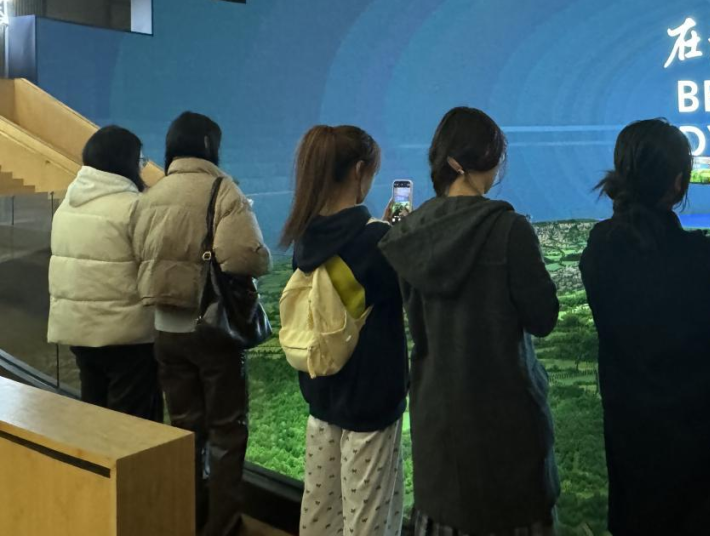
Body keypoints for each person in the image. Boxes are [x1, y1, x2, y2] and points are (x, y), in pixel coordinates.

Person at [378, 107, 560, 536]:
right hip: (508, 423)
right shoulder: (509, 229)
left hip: (438, 424)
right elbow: (544, 317)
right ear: (467, 163)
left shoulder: (407, 233)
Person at [579, 118, 710, 536]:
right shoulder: (699, 259)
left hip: (633, 449)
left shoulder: (600, 251)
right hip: (701, 454)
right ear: (679, 183)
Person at [132, 112, 270, 536]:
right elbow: (246, 256)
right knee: (226, 431)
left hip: (165, 331)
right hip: (210, 330)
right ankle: (223, 526)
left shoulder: (150, 195)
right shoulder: (222, 190)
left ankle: (187, 519)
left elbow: (137, 252)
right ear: (210, 145)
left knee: (185, 429)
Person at [279, 125, 408, 536]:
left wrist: (380, 230)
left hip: (321, 398)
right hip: (369, 405)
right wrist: (393, 232)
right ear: (358, 171)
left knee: (322, 515)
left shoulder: (305, 239)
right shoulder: (378, 242)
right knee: (370, 522)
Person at [47, 125, 162, 421]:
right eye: (141, 159)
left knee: (95, 416)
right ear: (125, 161)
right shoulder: (134, 207)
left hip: (79, 330)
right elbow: (154, 267)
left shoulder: (67, 204)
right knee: (132, 425)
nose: (142, 167)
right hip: (128, 335)